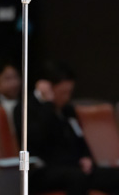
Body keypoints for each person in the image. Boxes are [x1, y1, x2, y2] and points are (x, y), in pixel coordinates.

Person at [14, 64, 119, 195]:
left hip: (72, 167)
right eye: (63, 93)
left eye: (70, 92)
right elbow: (35, 139)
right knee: (76, 177)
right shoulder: (25, 108)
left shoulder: (67, 110)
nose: (67, 97)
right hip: (42, 170)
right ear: (48, 88)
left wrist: (86, 157)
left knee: (115, 176)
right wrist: (48, 104)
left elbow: (79, 137)